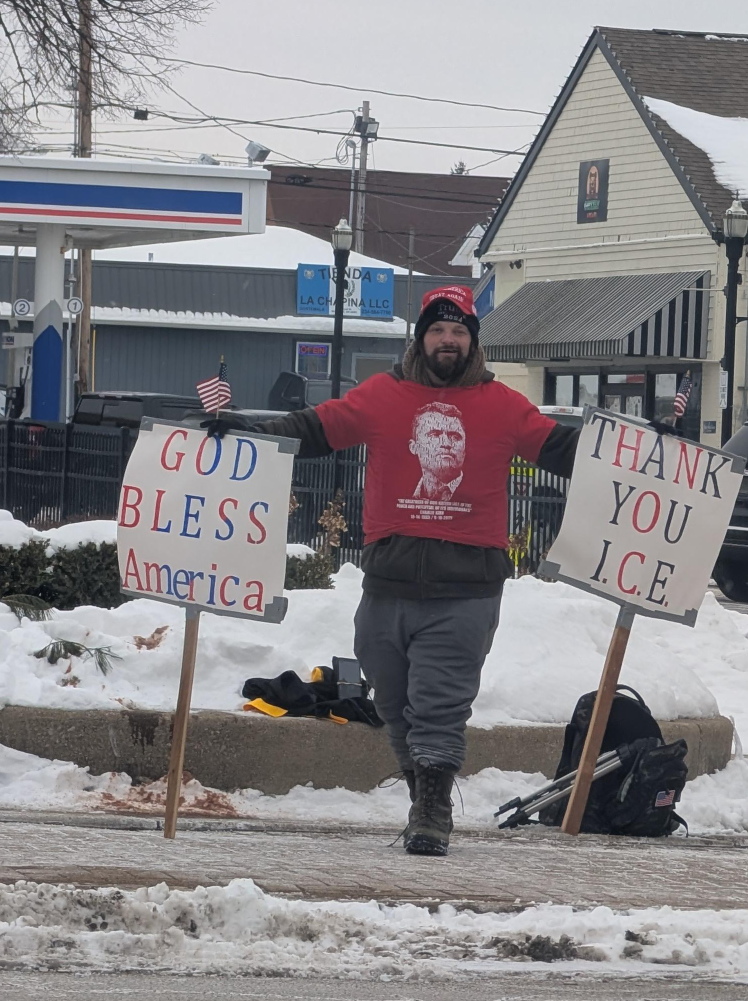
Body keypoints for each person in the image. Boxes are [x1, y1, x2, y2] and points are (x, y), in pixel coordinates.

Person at [234, 284, 577, 855]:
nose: (449, 340)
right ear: (422, 338)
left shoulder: (503, 406)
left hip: (466, 589)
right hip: (386, 584)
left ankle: (432, 811)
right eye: (439, 330)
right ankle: (423, 787)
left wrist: (637, 454)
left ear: (473, 342)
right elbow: (313, 430)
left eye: (460, 331)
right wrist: (247, 429)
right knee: (393, 702)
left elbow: (563, 448)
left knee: (439, 701)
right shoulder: (382, 396)